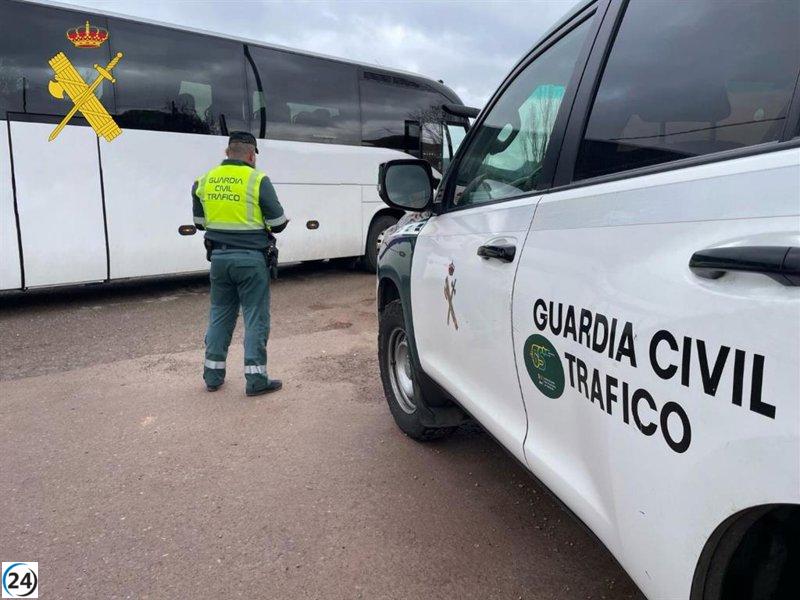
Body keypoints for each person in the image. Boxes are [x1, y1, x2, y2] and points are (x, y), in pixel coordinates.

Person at [191, 131, 288, 396]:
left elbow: (200, 224)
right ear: (251, 155)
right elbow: (278, 223)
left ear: (226, 153)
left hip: (219, 259)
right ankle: (256, 380)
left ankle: (212, 376)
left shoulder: (204, 180)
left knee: (220, 314)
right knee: (255, 316)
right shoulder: (258, 180)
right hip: (251, 260)